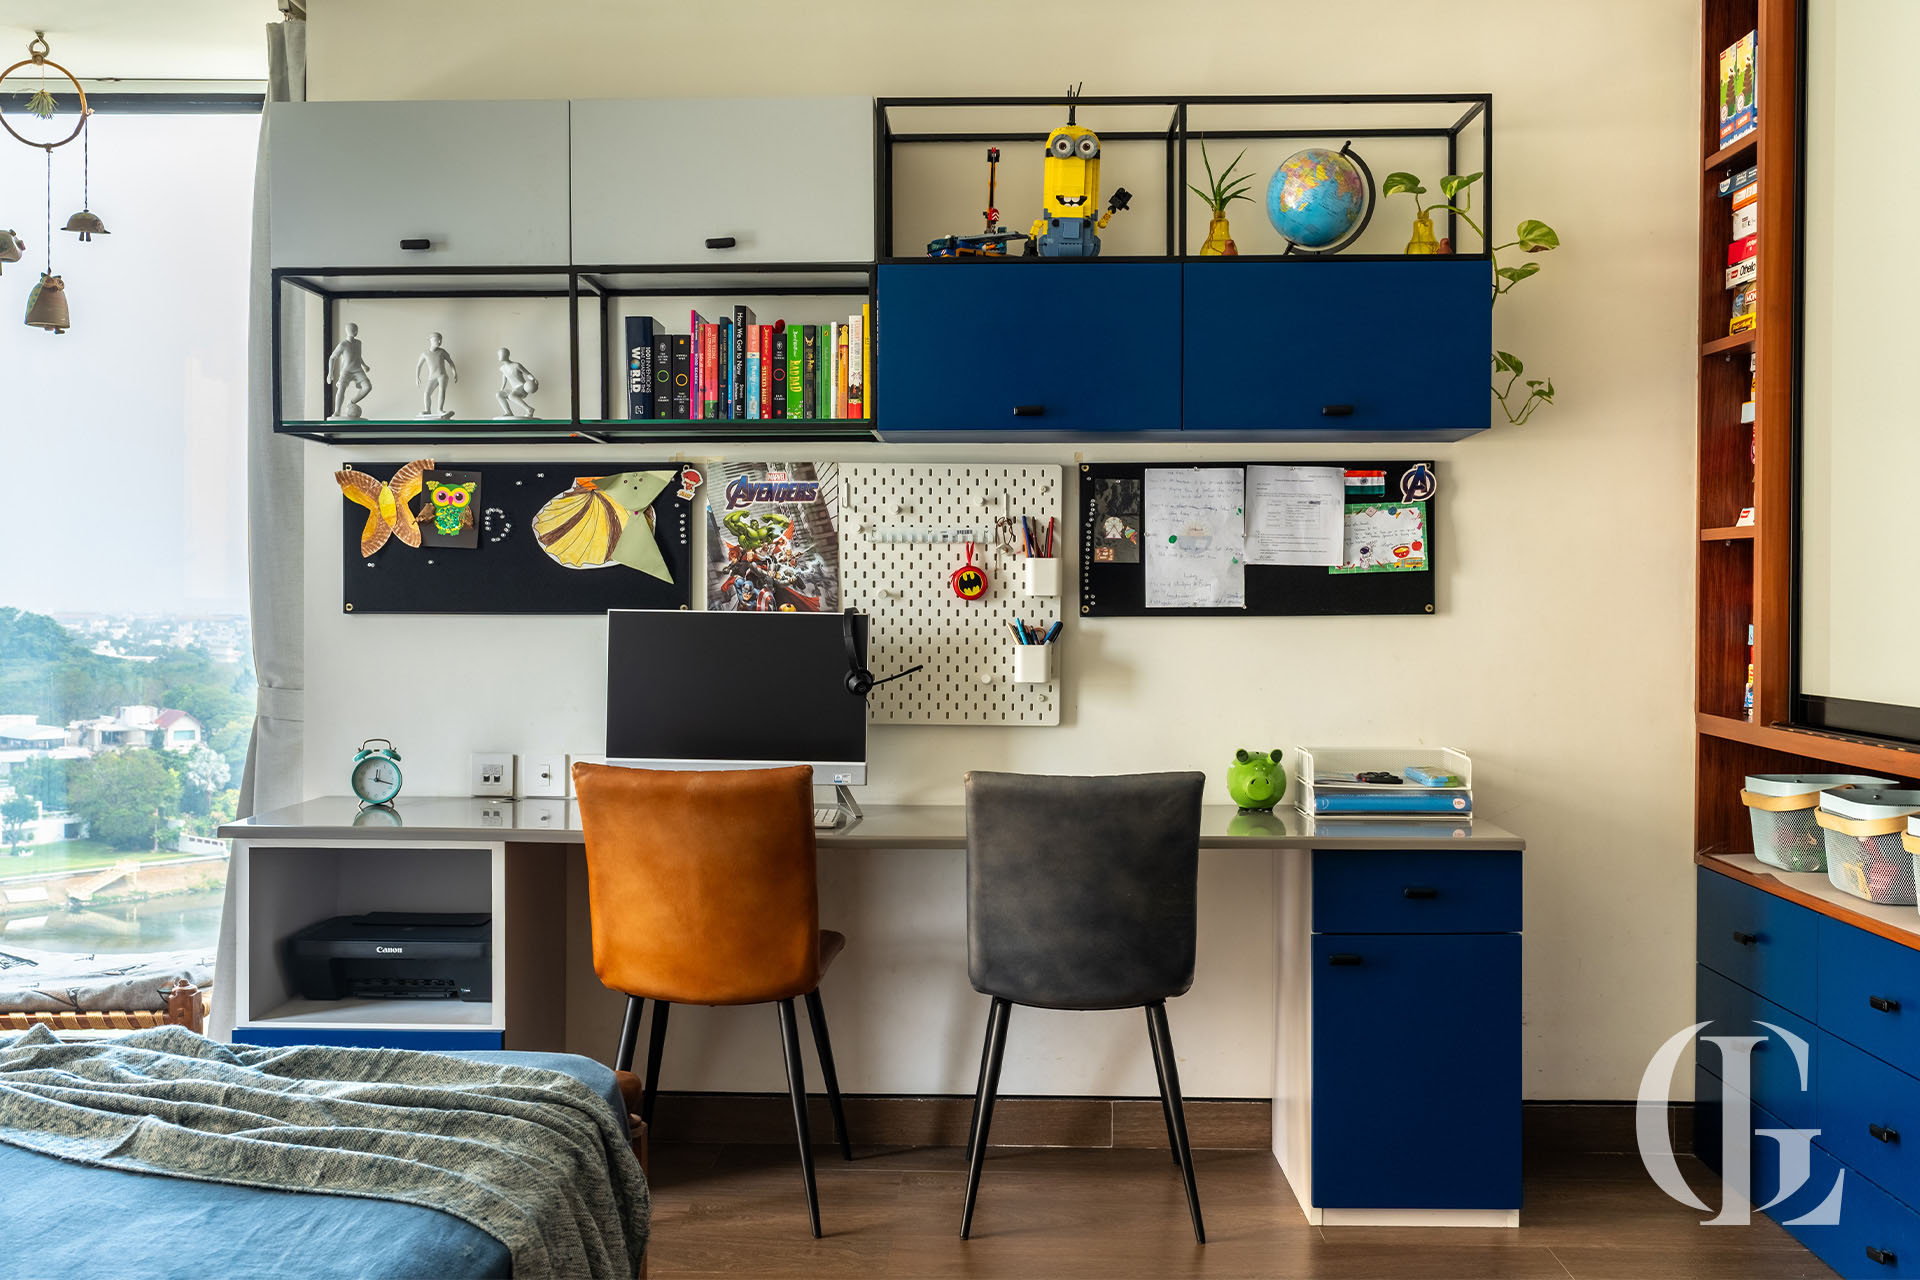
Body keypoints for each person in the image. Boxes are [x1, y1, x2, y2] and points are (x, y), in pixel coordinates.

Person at [326, 322, 372, 420]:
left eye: (355, 329)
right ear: (347, 331)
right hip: (346, 371)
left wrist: (364, 365)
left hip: (358, 370)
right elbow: (332, 357)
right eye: (353, 329)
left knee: (367, 387)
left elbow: (358, 356)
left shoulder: (358, 343)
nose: (355, 331)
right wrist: (330, 373)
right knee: (341, 389)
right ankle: (337, 411)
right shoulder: (343, 344)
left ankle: (351, 402)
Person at [415, 332, 458, 419]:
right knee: (426, 393)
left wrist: (455, 373)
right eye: (436, 340)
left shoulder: (442, 352)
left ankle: (440, 409)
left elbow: (450, 362)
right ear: (430, 341)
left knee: (441, 390)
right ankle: (427, 410)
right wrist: (417, 377)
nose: (438, 342)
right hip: (432, 377)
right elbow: (419, 365)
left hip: (442, 375)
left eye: (440, 340)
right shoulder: (425, 354)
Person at [494, 347, 539, 418]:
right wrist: (502, 388)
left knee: (511, 396)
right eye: (498, 354)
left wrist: (533, 379)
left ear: (506, 355)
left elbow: (527, 374)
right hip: (514, 389)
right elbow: (504, 378)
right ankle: (508, 412)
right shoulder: (502, 368)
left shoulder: (516, 365)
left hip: (522, 388)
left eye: (500, 354)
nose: (499, 356)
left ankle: (529, 410)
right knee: (499, 394)